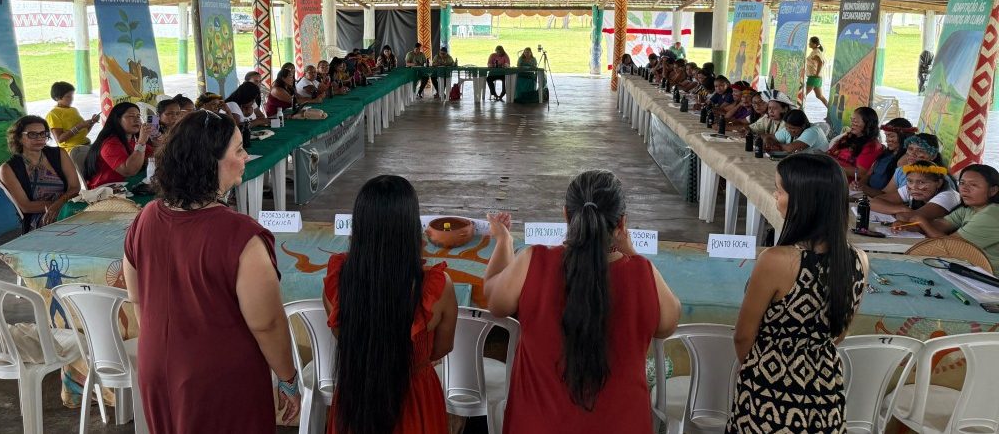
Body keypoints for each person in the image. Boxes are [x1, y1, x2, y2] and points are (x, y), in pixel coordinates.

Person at [123, 110, 301, 433]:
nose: (246, 156)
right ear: (211, 162)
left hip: (157, 368)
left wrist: (170, 348)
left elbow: (137, 300)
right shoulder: (241, 235)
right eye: (237, 150)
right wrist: (288, 378)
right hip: (220, 379)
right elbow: (267, 322)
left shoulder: (145, 219)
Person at [483, 170, 680, 433]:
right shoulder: (642, 273)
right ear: (622, 224)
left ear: (566, 216)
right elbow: (669, 322)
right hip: (621, 425)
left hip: (540, 424)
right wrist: (633, 254)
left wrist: (503, 241)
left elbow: (494, 300)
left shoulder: (534, 261)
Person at [727, 153, 867, 433]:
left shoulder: (776, 260)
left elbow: (744, 336)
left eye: (780, 190)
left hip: (768, 390)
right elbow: (839, 333)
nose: (775, 196)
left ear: (803, 202)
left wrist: (764, 368)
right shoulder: (858, 259)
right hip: (826, 388)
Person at [323, 175, 456, 434]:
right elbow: (441, 347)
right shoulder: (438, 287)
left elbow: (342, 335)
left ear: (359, 228)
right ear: (410, 228)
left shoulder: (337, 282)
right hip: (415, 399)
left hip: (356, 400)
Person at [901, 164, 999, 273]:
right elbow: (939, 225)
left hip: (990, 278)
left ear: (993, 190)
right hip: (969, 269)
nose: (964, 189)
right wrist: (906, 226)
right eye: (962, 183)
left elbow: (950, 247)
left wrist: (922, 222)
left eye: (973, 185)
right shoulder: (968, 209)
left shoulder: (991, 214)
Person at [0, 115, 80, 232]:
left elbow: (74, 187)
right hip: (40, 217)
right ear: (18, 137)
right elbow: (25, 206)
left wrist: (59, 205)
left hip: (66, 206)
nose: (39, 138)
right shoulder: (8, 169)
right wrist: (56, 208)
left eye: (43, 134)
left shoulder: (59, 154)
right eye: (32, 134)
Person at [869, 133, 944, 212]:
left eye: (920, 150)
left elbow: (918, 216)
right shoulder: (902, 171)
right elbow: (883, 195)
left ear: (933, 156)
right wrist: (862, 187)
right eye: (910, 149)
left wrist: (899, 209)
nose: (913, 153)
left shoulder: (939, 179)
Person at [85, 102, 152, 189]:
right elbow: (129, 171)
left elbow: (155, 156)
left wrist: (156, 139)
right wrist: (142, 142)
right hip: (105, 191)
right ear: (118, 119)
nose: (137, 120)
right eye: (131, 116)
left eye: (138, 116)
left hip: (125, 186)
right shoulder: (109, 144)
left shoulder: (132, 139)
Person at [883, 161, 961, 221]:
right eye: (910, 181)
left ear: (939, 183)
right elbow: (874, 203)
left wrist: (895, 211)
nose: (914, 187)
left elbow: (907, 218)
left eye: (921, 182)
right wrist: (902, 209)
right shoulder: (913, 188)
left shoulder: (948, 196)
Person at [858, 118, 918, 194]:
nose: (887, 140)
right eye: (886, 136)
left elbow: (890, 196)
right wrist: (858, 184)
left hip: (879, 200)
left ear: (904, 137)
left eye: (891, 136)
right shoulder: (885, 153)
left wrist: (865, 189)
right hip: (866, 195)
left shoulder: (904, 160)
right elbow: (868, 174)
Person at [826, 107, 883, 179]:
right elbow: (829, 153)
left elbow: (861, 173)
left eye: (855, 121)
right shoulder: (848, 137)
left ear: (868, 123)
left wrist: (833, 168)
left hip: (842, 182)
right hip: (829, 174)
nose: (852, 124)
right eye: (851, 120)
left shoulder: (872, 146)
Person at [46, 81, 99, 152]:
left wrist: (92, 122)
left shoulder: (74, 110)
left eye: (72, 95)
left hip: (85, 145)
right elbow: (60, 139)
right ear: (57, 98)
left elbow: (82, 133)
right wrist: (79, 126)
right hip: (72, 150)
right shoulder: (53, 114)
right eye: (68, 96)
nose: (71, 98)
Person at [805, 37, 830, 109]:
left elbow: (821, 63)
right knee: (819, 96)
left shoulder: (816, 52)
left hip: (813, 77)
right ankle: (829, 112)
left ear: (815, 44)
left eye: (810, 42)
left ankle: (798, 111)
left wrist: (816, 74)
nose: (809, 43)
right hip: (817, 78)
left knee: (803, 94)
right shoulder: (817, 51)